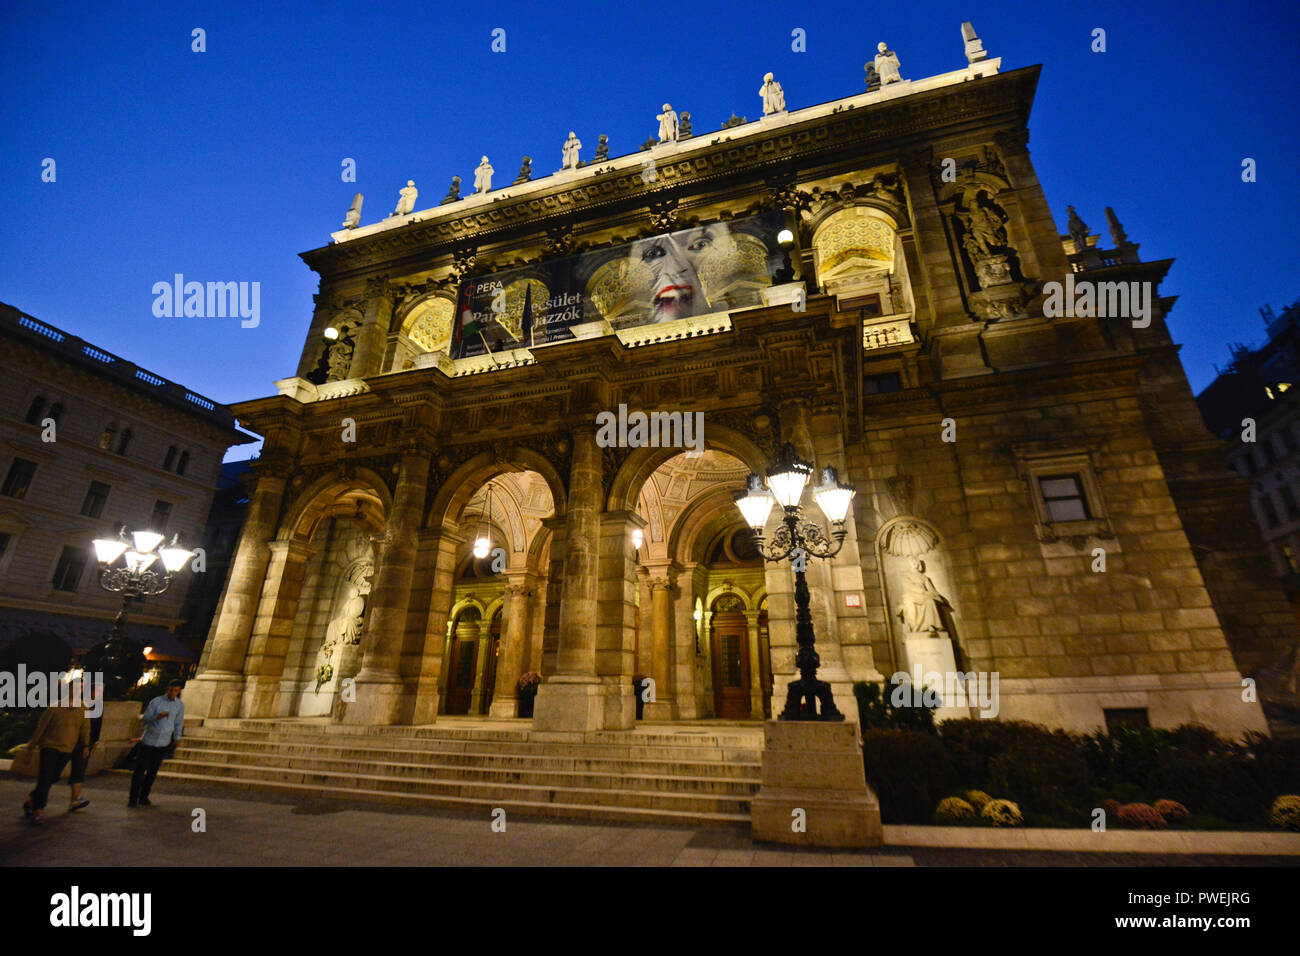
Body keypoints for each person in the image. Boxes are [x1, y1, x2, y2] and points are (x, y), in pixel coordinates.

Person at [22, 684, 91, 825]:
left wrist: (85, 745)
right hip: (49, 747)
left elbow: (85, 729)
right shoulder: (55, 707)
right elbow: (41, 728)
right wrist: (30, 748)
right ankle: (38, 811)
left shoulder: (83, 709)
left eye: (80, 688)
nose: (77, 691)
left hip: (67, 750)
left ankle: (31, 802)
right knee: (45, 778)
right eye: (75, 687)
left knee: (52, 778)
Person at [129, 680, 185, 808]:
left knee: (153, 771)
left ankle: (144, 796)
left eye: (175, 690)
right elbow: (145, 719)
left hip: (163, 741)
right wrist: (157, 717)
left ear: (179, 691)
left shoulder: (179, 705)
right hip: (149, 740)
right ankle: (133, 797)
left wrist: (177, 738)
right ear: (167, 689)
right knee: (140, 770)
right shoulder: (156, 702)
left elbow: (178, 723)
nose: (172, 693)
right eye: (171, 690)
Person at [66, 681, 104, 812]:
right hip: (71, 741)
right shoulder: (81, 705)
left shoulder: (98, 706)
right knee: (52, 774)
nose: (100, 693)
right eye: (98, 690)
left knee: (79, 770)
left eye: (102, 691)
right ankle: (34, 801)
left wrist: (94, 742)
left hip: (85, 744)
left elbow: (97, 726)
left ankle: (75, 799)